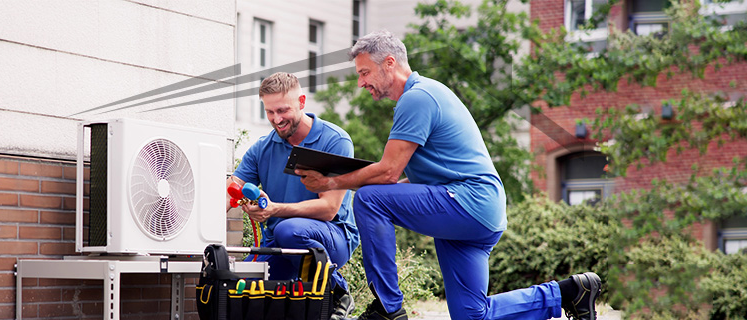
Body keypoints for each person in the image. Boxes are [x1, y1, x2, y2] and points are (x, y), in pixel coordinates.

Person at [297, 31, 602, 320]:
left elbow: (389, 173)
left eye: (364, 73)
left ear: (389, 63)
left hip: (468, 202)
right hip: (478, 212)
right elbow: (411, 181)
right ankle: (568, 293)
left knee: (369, 199)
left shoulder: (418, 97)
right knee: (472, 314)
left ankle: (387, 307)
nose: (361, 83)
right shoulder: (427, 94)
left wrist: (330, 183)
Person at [227, 72, 360, 320]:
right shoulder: (262, 148)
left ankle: (338, 289)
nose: (276, 119)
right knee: (239, 293)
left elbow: (329, 208)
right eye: (269, 112)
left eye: (282, 110)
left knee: (288, 230)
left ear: (301, 102)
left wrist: (274, 209)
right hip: (278, 241)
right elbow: (230, 189)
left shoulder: (335, 141)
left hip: (331, 237)